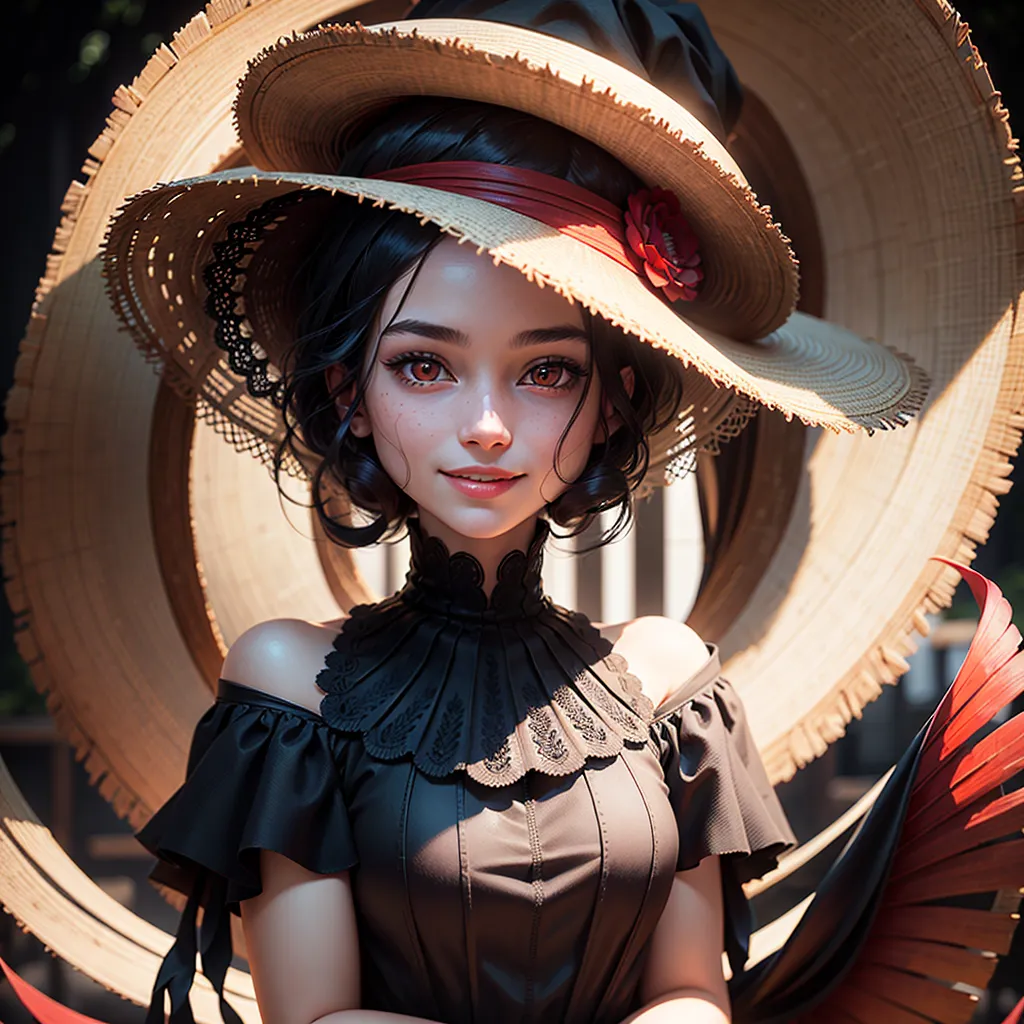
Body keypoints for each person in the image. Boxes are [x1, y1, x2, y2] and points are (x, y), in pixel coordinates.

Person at [4, 2, 1023, 1023]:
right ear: (347, 391)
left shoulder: (672, 681)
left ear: (614, 398)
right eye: (424, 365)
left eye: (544, 370)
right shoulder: (287, 687)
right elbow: (312, 1018)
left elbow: (688, 995)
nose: (487, 426)